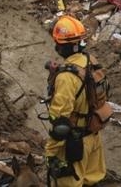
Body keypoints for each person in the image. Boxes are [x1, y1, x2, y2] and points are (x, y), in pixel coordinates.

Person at [44, 15, 107, 186]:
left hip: (75, 144)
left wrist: (50, 151)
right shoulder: (90, 61)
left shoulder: (66, 77)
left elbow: (60, 123)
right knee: (92, 180)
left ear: (61, 46)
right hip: (94, 136)